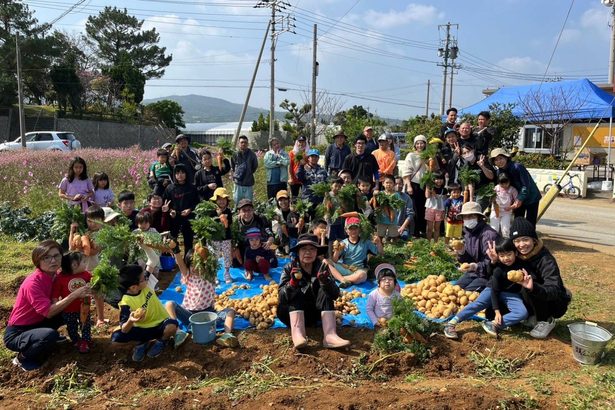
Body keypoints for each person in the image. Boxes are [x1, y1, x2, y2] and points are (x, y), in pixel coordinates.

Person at [4, 240, 92, 371]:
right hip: (19, 332)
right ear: (37, 261)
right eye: (46, 257)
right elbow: (49, 312)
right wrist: (74, 295)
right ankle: (23, 358)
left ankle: (45, 337)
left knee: (69, 312)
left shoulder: (56, 276)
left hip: (39, 321)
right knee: (49, 335)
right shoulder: (33, 283)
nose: (53, 261)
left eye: (56, 256)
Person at [444, 238, 528, 339]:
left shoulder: (522, 265)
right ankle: (452, 323)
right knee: (478, 304)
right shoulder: (498, 268)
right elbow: (495, 290)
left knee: (522, 312)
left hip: (511, 293)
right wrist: (496, 311)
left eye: (509, 254)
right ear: (498, 256)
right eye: (502, 256)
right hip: (492, 289)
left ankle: (493, 324)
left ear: (515, 253)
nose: (506, 258)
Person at [277, 234, 350, 349]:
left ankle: (330, 336)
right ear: (298, 252)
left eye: (312, 249)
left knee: (324, 289)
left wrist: (325, 282)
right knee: (296, 292)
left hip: (314, 314)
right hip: (290, 313)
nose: (308, 252)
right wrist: (292, 283)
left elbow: (335, 294)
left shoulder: (322, 267)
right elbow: (281, 297)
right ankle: (298, 334)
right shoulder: (289, 268)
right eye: (304, 249)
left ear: (317, 252)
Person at [510, 217, 571, 339]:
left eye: (525, 239)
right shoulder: (515, 255)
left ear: (534, 240)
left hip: (553, 301)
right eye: (517, 241)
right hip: (531, 297)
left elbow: (554, 288)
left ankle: (545, 320)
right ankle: (531, 314)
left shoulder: (545, 259)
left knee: (530, 283)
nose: (521, 245)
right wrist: (494, 260)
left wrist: (534, 287)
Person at [165, 249, 239, 348]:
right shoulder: (188, 276)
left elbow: (210, 260)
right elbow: (180, 262)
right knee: (169, 304)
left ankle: (227, 335)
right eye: (192, 264)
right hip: (189, 316)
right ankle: (178, 332)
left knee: (230, 311)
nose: (195, 268)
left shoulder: (209, 275)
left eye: (198, 264)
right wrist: (175, 250)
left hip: (209, 316)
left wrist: (202, 250)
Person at [111, 265, 180, 362]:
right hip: (142, 329)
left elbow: (151, 262)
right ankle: (141, 343)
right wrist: (131, 320)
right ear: (134, 287)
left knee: (172, 326)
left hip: (160, 324)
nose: (147, 279)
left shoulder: (146, 285)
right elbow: (125, 329)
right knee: (116, 340)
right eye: (144, 279)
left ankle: (162, 341)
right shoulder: (126, 303)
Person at [52, 251, 98, 353]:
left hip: (84, 307)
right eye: (83, 262)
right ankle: (76, 340)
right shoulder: (60, 278)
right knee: (71, 326)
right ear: (74, 265)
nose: (86, 265)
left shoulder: (86, 275)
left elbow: (94, 284)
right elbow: (55, 294)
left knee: (86, 324)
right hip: (68, 309)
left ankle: (86, 341)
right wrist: (55, 306)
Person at [455, 201, 499, 291]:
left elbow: (492, 262)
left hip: (488, 275)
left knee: (467, 294)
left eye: (471, 216)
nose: (468, 219)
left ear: (478, 217)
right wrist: (462, 252)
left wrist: (476, 266)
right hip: (474, 272)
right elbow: (468, 261)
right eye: (465, 217)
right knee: (455, 289)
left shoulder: (489, 235)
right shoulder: (467, 233)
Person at [490, 148, 541, 226]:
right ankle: (518, 237)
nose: (499, 161)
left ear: (506, 157)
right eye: (496, 160)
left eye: (501, 158)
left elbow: (526, 185)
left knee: (530, 222)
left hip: (531, 196)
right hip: (516, 197)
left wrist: (519, 199)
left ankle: (531, 237)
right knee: (518, 221)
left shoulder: (518, 167)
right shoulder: (499, 172)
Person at [331, 217, 383, 287]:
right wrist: (337, 250)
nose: (353, 231)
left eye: (356, 228)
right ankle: (346, 279)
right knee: (326, 263)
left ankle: (341, 279)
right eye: (351, 229)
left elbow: (380, 253)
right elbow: (334, 260)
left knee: (362, 276)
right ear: (346, 230)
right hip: (345, 269)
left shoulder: (366, 242)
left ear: (360, 230)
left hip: (359, 271)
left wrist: (378, 243)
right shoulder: (343, 243)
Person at [164, 163, 199, 252]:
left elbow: (197, 202)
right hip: (174, 217)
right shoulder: (170, 188)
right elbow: (166, 203)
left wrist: (190, 209)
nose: (180, 175)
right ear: (174, 175)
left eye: (183, 172)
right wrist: (171, 211)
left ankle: (187, 260)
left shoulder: (192, 187)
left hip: (188, 217)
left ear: (186, 174)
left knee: (188, 241)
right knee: (172, 240)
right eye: (177, 173)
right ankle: (174, 259)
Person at [401, 135, 429, 237]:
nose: (419, 145)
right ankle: (414, 230)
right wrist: (408, 185)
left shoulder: (428, 156)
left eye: (422, 143)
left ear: (425, 144)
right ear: (414, 145)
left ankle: (423, 229)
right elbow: (406, 172)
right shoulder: (411, 155)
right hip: (414, 184)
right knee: (414, 208)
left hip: (425, 184)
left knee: (424, 207)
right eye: (417, 143)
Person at [233, 199, 274, 267]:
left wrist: (269, 241)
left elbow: (269, 232)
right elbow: (231, 237)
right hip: (243, 246)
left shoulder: (260, 219)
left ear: (253, 210)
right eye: (244, 210)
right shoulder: (235, 222)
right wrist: (234, 247)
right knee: (235, 264)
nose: (247, 213)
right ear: (239, 212)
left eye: (249, 210)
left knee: (264, 264)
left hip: (258, 245)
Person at [366, 264, 401, 328]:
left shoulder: (397, 295)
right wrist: (375, 321)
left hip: (393, 322)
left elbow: (401, 308)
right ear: (378, 283)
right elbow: (369, 309)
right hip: (379, 322)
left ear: (395, 283)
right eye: (384, 279)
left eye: (390, 279)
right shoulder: (374, 294)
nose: (387, 281)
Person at [210, 187, 233, 284]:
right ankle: (214, 275)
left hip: (226, 238)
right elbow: (210, 224)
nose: (221, 201)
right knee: (214, 256)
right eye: (219, 199)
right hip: (215, 238)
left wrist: (222, 216)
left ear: (227, 201)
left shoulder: (228, 211)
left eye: (224, 199)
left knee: (227, 255)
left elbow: (228, 224)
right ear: (215, 201)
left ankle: (227, 273)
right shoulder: (212, 212)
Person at [231, 135, 259, 204]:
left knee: (248, 204)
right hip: (238, 183)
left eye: (245, 142)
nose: (243, 144)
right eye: (242, 142)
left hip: (248, 183)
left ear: (248, 144)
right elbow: (232, 165)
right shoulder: (235, 154)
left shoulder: (252, 154)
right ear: (238, 144)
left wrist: (248, 172)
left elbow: (255, 166)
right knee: (237, 203)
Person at [375, 174, 403, 241]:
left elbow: (399, 206)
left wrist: (393, 205)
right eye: (387, 183)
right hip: (381, 219)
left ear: (394, 184)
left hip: (392, 220)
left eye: (391, 183)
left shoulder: (396, 195)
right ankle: (380, 244)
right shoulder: (381, 194)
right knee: (380, 235)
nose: (388, 184)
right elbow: (376, 204)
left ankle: (393, 242)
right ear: (383, 184)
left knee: (394, 235)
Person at [490, 173, 518, 238]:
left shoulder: (512, 190)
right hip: (495, 211)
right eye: (502, 184)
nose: (504, 185)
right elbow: (490, 198)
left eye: (506, 183)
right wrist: (492, 199)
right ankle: (494, 242)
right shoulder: (496, 188)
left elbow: (517, 201)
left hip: (506, 212)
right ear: (499, 182)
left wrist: (511, 207)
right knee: (494, 228)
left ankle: (506, 242)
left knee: (505, 229)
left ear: (509, 181)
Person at [425, 172, 447, 242]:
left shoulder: (444, 190)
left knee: (437, 228)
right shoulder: (430, 187)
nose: (439, 181)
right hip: (430, 208)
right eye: (437, 179)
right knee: (429, 228)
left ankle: (435, 243)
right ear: (433, 180)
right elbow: (427, 196)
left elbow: (445, 202)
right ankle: (428, 243)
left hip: (440, 210)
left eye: (441, 179)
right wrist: (428, 187)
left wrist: (444, 212)